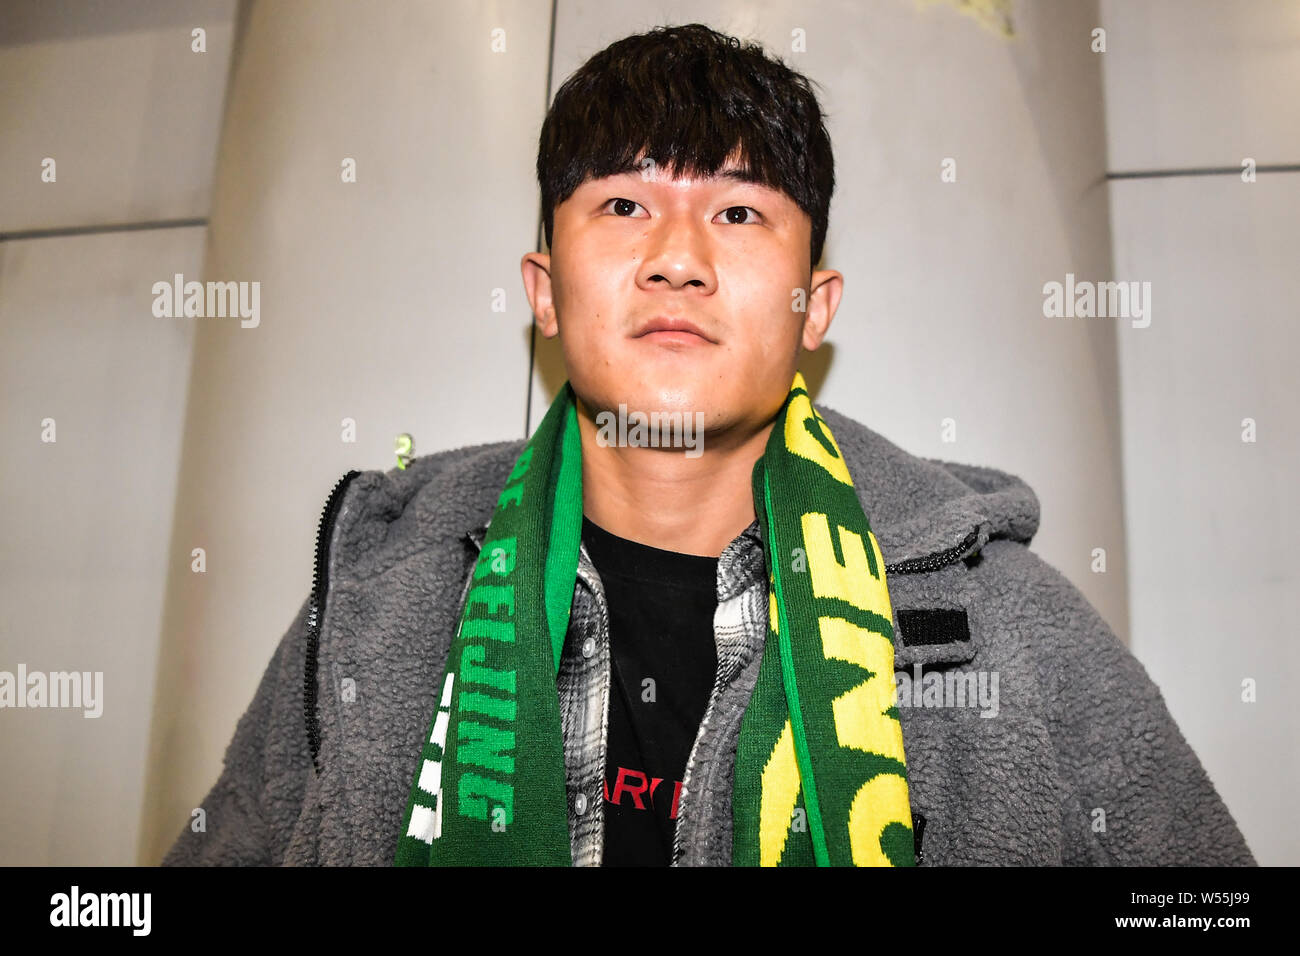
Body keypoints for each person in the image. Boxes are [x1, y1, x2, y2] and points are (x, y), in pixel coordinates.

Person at [163, 22, 1253, 867]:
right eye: (625, 204)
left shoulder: (1002, 619)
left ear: (812, 307)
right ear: (543, 291)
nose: (677, 258)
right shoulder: (375, 591)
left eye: (739, 214)